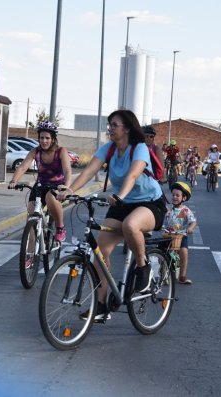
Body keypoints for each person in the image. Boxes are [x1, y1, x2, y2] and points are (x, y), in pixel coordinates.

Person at [57, 110, 166, 321]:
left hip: (149, 203)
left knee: (131, 226)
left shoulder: (139, 148)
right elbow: (89, 171)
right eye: (109, 125)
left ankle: (143, 268)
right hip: (121, 203)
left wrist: (120, 195)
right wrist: (70, 190)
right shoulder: (109, 149)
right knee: (99, 251)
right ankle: (100, 305)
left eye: (114, 125)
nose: (110, 128)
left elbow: (134, 174)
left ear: (126, 128)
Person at [9, 121, 72, 242]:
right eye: (42, 138)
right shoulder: (35, 151)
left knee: (49, 197)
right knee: (31, 217)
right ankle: (29, 256)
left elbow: (68, 171)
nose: (44, 141)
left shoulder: (61, 151)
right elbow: (22, 167)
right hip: (40, 186)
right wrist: (14, 180)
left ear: (53, 139)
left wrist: (66, 187)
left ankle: (60, 227)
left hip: (56, 187)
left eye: (47, 138)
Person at [163, 182, 197, 284]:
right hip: (168, 235)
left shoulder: (186, 210)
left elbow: (193, 221)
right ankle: (164, 274)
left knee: (184, 252)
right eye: (173, 195)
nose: (174, 197)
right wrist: (165, 215)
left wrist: (190, 228)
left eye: (177, 195)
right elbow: (162, 221)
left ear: (184, 198)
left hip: (181, 236)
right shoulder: (169, 209)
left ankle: (182, 275)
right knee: (164, 253)